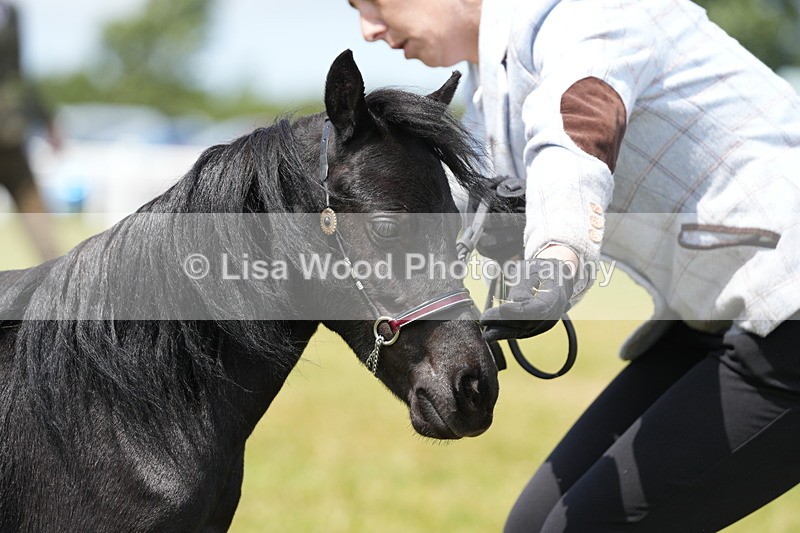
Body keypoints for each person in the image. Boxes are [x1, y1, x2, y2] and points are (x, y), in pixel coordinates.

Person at [347, 0, 800, 530]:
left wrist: (556, 263)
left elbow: (578, 130)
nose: (368, 28)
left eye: (372, 2)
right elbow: (475, 202)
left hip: (787, 311)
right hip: (716, 321)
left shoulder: (586, 15)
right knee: (532, 524)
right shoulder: (491, 86)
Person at [0, 0, 60, 260]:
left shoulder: (12, 13)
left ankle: (63, 290)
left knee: (42, 230)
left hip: (11, 138)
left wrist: (47, 119)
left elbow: (17, 73)